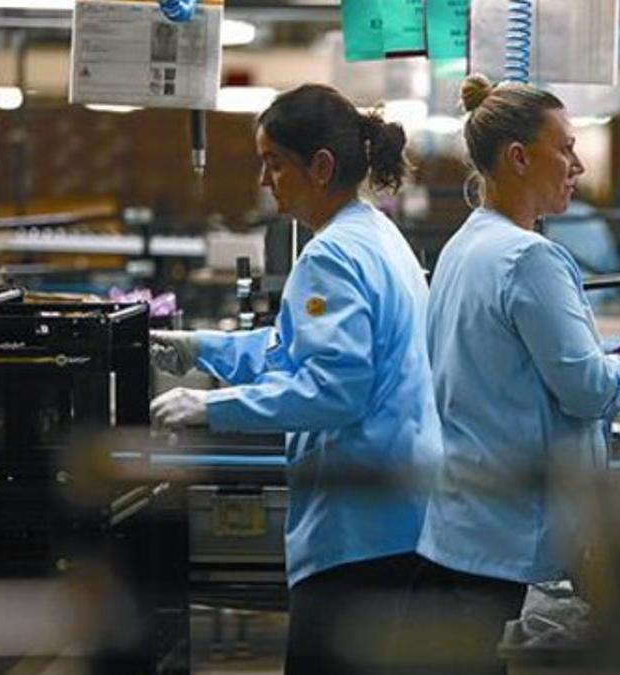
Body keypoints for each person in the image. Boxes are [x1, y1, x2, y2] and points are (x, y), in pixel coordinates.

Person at [147, 84, 441, 675]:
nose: (263, 179)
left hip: (359, 531)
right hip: (403, 513)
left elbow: (334, 390)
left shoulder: (329, 256)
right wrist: (205, 349)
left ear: (321, 167)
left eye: (274, 163)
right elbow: (295, 349)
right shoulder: (378, 237)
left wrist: (212, 410)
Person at [406, 74, 620, 674]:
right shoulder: (530, 258)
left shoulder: (463, 247)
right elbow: (589, 390)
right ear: (519, 158)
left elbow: (519, 372)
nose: (578, 165)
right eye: (566, 148)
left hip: (459, 531)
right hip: (508, 545)